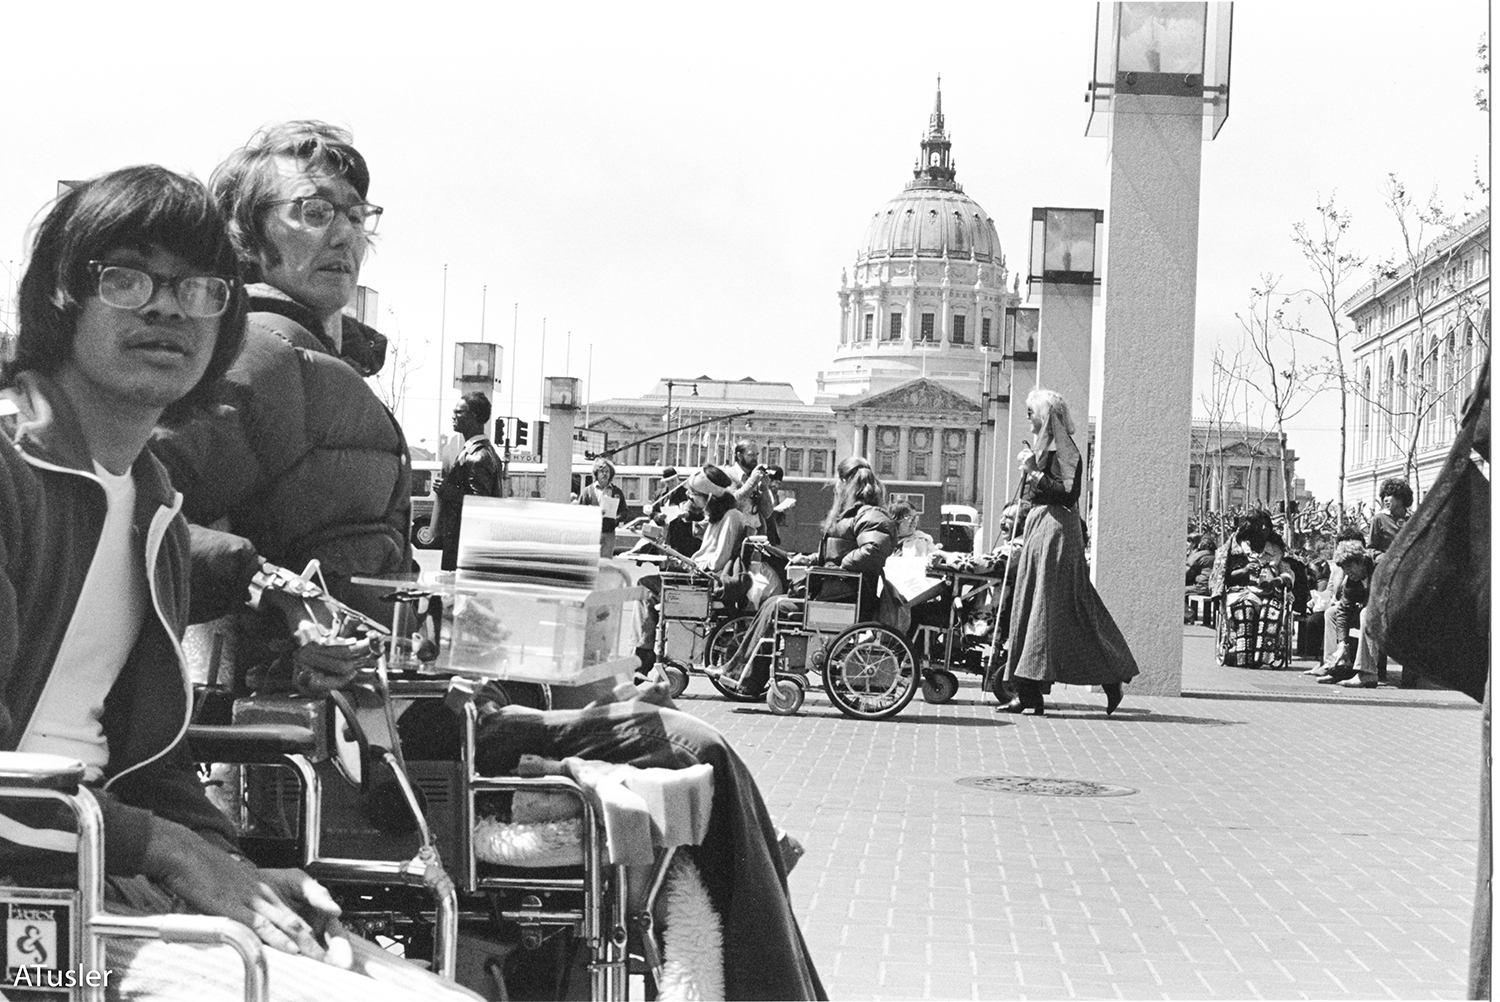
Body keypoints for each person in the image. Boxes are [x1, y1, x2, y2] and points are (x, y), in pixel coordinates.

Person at [0, 166, 472, 1002]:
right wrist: (179, 857)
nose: (168, 307)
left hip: (93, 878)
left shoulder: (147, 501)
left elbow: (144, 759)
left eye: (200, 289)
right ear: (61, 299)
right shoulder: (13, 472)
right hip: (30, 907)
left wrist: (235, 869)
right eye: (127, 277)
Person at [151, 121, 413, 680]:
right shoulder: (263, 356)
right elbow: (139, 514)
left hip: (341, 701)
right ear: (244, 236)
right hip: (268, 728)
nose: (344, 235)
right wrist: (274, 594)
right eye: (315, 212)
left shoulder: (316, 358)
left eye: (354, 215)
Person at [1001, 388, 1138, 716]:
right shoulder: (1045, 448)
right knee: (1035, 606)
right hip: (1041, 528)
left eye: (1032, 412)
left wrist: (1033, 471)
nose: (1028, 418)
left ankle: (1108, 674)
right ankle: (1030, 691)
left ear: (1046, 415)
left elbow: (1066, 492)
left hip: (1056, 531)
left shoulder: (1064, 449)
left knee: (1053, 607)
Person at [709, 456, 896, 696]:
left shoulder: (869, 515)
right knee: (771, 605)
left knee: (775, 606)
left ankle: (741, 674)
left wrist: (838, 567)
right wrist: (809, 560)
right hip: (836, 593)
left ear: (845, 483)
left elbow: (873, 551)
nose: (836, 488)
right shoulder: (858, 515)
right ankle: (744, 676)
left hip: (844, 598)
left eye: (837, 482)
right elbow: (839, 553)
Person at [1218, 511, 1297, 670]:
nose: (1264, 528)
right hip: (1241, 591)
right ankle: (1242, 653)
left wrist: (1276, 580)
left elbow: (1289, 573)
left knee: (1270, 610)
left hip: (1269, 593)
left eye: (1266, 525)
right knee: (1245, 609)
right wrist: (1245, 571)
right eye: (1259, 525)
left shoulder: (1275, 550)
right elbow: (1225, 575)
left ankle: (1264, 655)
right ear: (1249, 528)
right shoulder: (1237, 548)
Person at [434, 390, 503, 570]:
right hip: (464, 548)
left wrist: (448, 490)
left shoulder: (478, 457)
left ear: (472, 416)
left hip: (464, 551)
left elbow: (480, 506)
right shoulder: (482, 452)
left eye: (459, 412)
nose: (453, 416)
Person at [1304, 539, 1374, 682]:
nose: (1347, 572)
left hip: (1386, 613)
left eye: (1350, 566)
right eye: (1344, 568)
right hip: (1366, 611)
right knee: (1332, 612)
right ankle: (1335, 664)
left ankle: (1367, 673)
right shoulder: (1351, 580)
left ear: (1360, 561)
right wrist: (1342, 643)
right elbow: (1343, 610)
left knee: (1365, 613)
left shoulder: (1377, 568)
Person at [686, 464, 755, 576]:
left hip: (709, 577)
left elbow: (718, 563)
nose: (689, 497)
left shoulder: (731, 517)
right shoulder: (716, 516)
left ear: (709, 497)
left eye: (692, 493)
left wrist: (694, 565)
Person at [576, 456, 629, 558]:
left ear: (611, 474)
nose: (604, 474)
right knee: (591, 559)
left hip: (609, 532)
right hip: (592, 533)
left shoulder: (616, 491)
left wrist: (616, 520)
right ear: (596, 473)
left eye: (607, 471)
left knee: (606, 562)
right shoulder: (587, 491)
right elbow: (580, 511)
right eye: (602, 471)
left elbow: (624, 511)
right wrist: (594, 513)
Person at [726, 438, 778, 542]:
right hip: (734, 534)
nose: (755, 459)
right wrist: (752, 481)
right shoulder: (728, 474)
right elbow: (734, 501)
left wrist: (764, 487)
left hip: (755, 534)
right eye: (751, 455)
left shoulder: (756, 476)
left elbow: (767, 512)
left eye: (756, 455)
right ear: (739, 456)